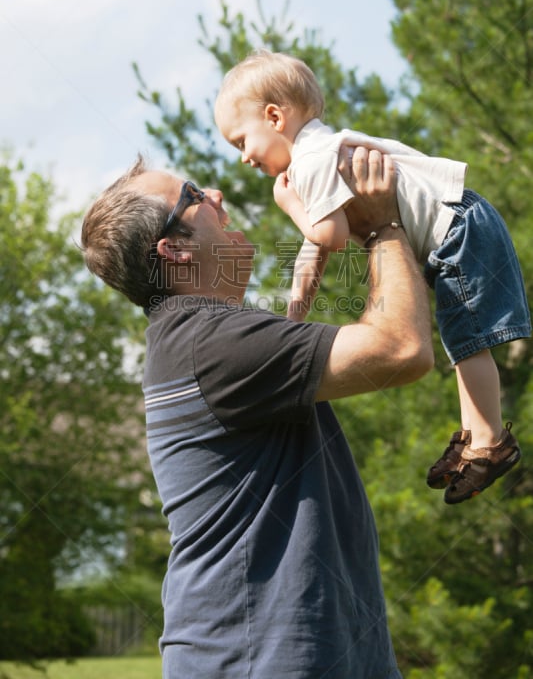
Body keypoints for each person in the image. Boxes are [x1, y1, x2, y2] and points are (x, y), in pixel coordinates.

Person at [81, 148, 433, 678]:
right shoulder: (210, 341)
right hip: (261, 662)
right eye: (195, 196)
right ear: (174, 250)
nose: (217, 195)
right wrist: (382, 225)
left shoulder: (199, 338)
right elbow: (403, 349)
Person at [214, 49, 531, 506]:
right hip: (459, 225)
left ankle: (490, 441)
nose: (243, 158)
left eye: (241, 141)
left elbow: (329, 235)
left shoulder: (313, 160)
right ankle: (475, 433)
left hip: (456, 227)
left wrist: (291, 207)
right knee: (461, 342)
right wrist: (293, 316)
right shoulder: (316, 156)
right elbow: (315, 249)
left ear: (274, 116)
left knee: (468, 343)